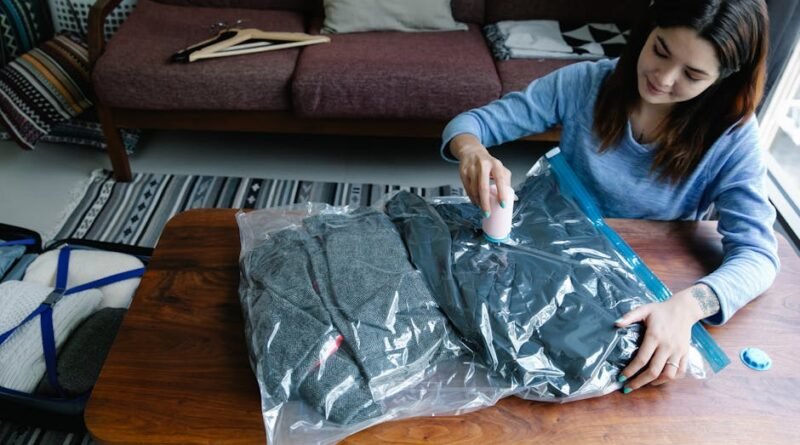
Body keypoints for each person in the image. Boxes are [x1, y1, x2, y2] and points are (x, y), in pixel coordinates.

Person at [441, 0, 779, 393]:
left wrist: (688, 306)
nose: (663, 78)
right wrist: (472, 150)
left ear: (724, 78)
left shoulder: (732, 136)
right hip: (543, 256)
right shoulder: (587, 83)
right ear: (648, 29)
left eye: (692, 74)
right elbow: (470, 123)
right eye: (660, 50)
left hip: (636, 285)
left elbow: (758, 256)